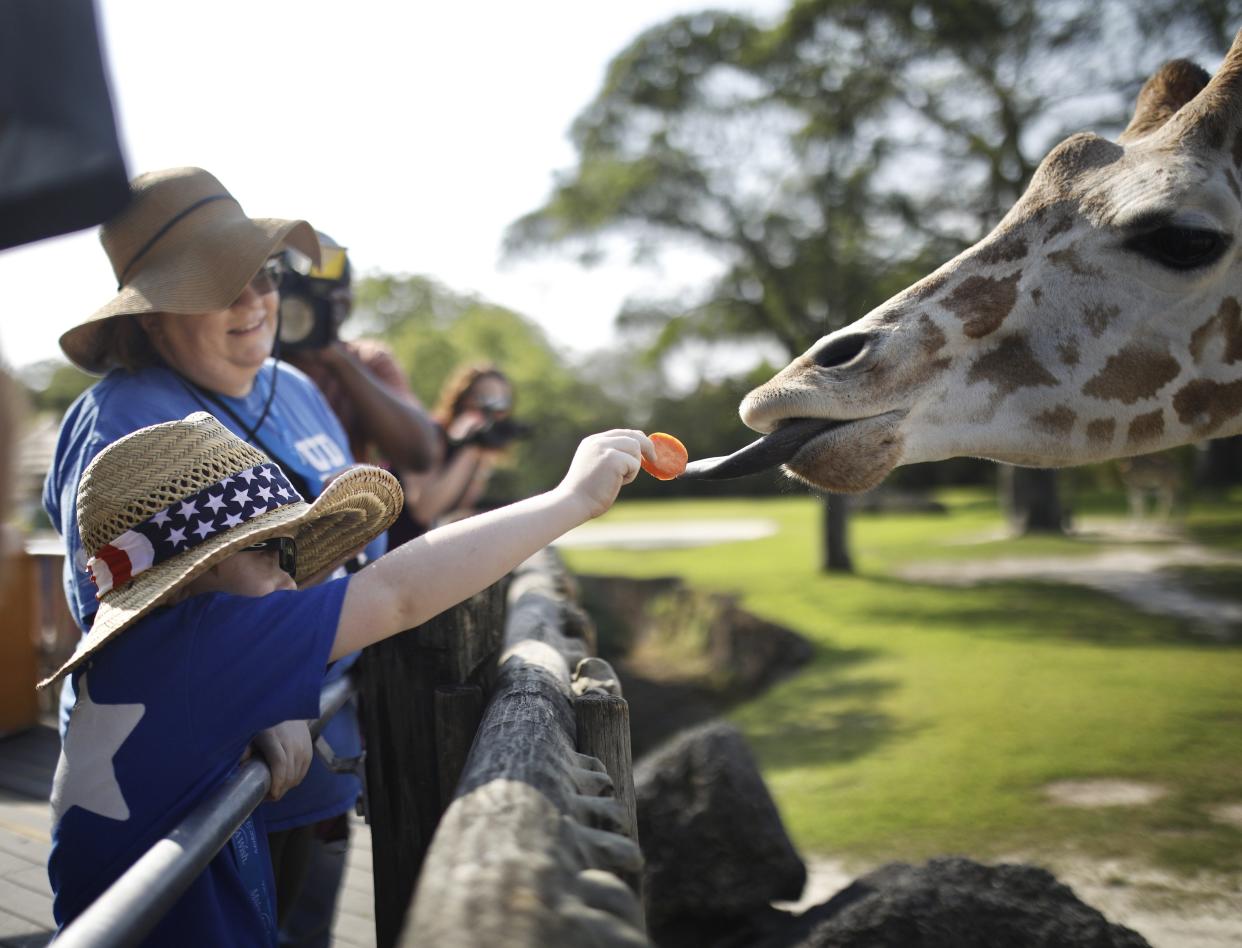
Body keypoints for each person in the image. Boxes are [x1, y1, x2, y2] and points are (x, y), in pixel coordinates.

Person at [42, 411, 652, 944]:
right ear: (187, 580)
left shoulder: (155, 655)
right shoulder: (206, 638)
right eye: (267, 552)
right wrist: (570, 500)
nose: (290, 578)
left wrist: (271, 706)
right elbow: (396, 595)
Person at [40, 167, 427, 933]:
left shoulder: (294, 386)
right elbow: (127, 614)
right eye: (222, 286)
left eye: (265, 277)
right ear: (154, 317)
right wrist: (255, 703)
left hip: (317, 760)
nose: (255, 303)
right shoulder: (124, 417)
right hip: (214, 780)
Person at [400, 363, 525, 540]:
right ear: (462, 398)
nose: (491, 410)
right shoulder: (430, 435)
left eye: (501, 402)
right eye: (484, 398)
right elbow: (424, 511)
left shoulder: (481, 451)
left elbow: (458, 512)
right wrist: (469, 446)